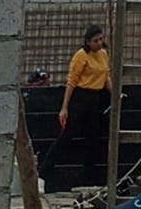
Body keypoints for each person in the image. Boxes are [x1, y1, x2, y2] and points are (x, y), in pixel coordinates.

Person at [37, 25, 111, 190]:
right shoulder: (81, 56)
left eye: (101, 39)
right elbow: (72, 81)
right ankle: (42, 174)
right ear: (88, 42)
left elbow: (105, 77)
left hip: (95, 98)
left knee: (93, 139)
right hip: (80, 97)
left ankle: (89, 181)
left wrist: (115, 94)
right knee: (67, 136)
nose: (99, 43)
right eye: (95, 41)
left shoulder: (104, 54)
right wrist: (64, 107)